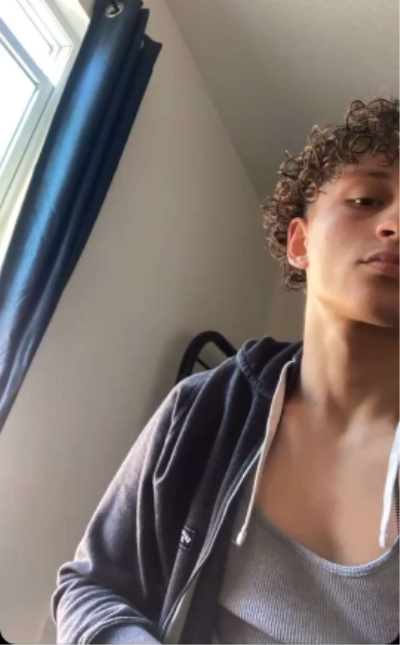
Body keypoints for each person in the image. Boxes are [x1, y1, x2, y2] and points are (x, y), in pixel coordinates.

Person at [51, 96, 400, 645]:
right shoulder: (201, 410)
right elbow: (90, 586)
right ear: (300, 243)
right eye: (366, 199)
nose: (396, 223)